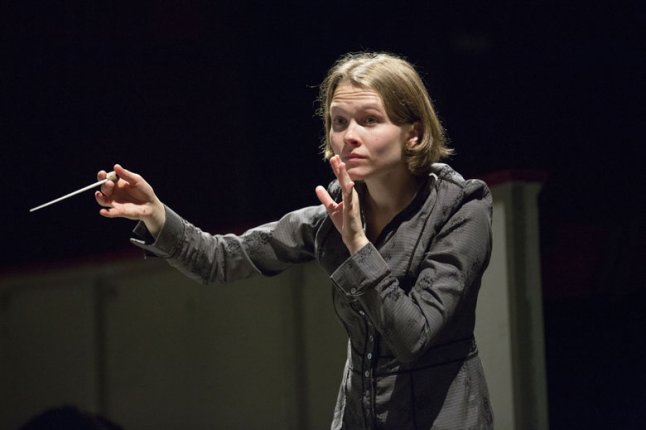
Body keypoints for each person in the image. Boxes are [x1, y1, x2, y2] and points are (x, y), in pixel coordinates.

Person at [95, 52, 494, 429]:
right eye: (339, 122)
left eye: (370, 120)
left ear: (414, 134)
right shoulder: (330, 219)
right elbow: (220, 259)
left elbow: (412, 338)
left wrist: (358, 245)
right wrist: (155, 213)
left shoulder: (461, 209)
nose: (349, 136)